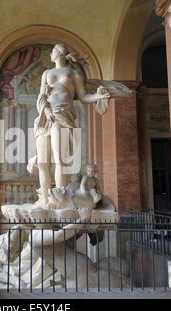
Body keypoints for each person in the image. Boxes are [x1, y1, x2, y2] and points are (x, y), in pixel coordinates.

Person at [27, 43, 110, 208]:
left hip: (63, 114)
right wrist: (46, 109)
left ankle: (59, 199)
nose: (50, 54)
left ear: (58, 53)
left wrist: (99, 97)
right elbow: (41, 96)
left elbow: (83, 96)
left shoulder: (73, 73)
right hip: (45, 116)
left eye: (52, 51)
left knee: (59, 160)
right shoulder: (47, 73)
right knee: (43, 162)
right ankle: (44, 199)